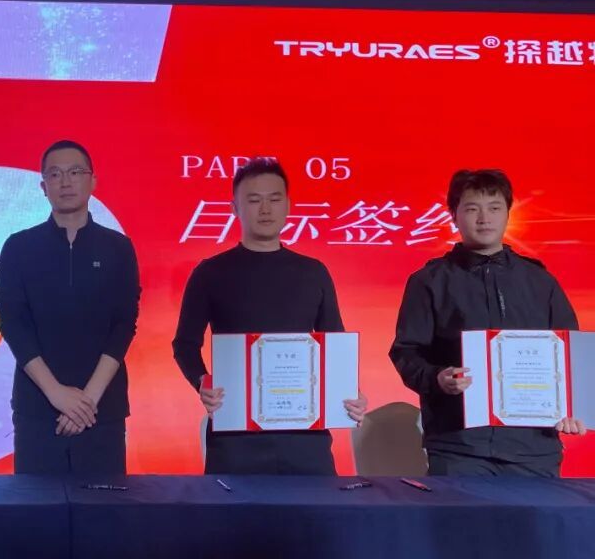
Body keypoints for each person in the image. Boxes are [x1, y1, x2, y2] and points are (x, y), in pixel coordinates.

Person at [173, 157, 366, 475]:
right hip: (236, 439)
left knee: (313, 507)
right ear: (234, 208)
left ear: (288, 206)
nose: (265, 209)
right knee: (234, 509)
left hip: (305, 436)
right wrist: (202, 381)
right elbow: (184, 345)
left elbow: (334, 345)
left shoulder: (313, 272)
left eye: (274, 199)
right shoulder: (210, 273)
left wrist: (348, 392)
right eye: (253, 200)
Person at [390, 168, 585, 476]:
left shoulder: (539, 280)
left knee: (535, 511)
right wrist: (437, 377)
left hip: (534, 447)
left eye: (494, 208)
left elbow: (570, 353)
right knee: (461, 511)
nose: (484, 218)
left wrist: (574, 407)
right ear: (454, 216)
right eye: (472, 209)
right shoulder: (429, 281)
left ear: (508, 213)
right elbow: (406, 352)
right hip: (459, 446)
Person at [0, 140, 140, 474]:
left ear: (92, 181)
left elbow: (124, 324)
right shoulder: (19, 247)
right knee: (37, 505)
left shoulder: (118, 248)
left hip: (102, 409)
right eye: (55, 174)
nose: (65, 182)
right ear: (43, 186)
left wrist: (86, 401)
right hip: (38, 408)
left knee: (103, 505)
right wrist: (56, 394)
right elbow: (13, 323)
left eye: (75, 172)